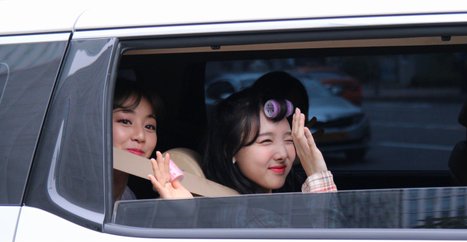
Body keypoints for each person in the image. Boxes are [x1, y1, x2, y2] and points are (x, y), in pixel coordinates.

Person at [149, 82, 336, 198]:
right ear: (230, 150)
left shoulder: (266, 202)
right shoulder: (250, 217)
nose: (282, 154)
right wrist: (317, 174)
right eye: (266, 141)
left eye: (289, 140)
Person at [112, 79, 166, 201]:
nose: (141, 136)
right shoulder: (72, 196)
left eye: (149, 126)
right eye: (125, 121)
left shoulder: (129, 197)